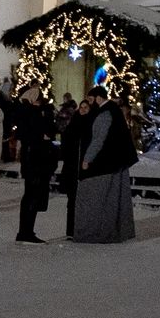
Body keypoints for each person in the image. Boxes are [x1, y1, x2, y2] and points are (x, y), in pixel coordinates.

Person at [69, 90, 136, 243]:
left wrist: (87, 159)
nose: (89, 102)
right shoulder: (113, 110)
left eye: (91, 99)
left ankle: (95, 233)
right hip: (115, 163)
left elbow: (98, 139)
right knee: (112, 201)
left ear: (98, 98)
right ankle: (111, 233)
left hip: (103, 165)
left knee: (96, 200)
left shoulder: (104, 113)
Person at [11, 92, 57, 244]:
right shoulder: (34, 114)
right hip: (37, 159)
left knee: (30, 194)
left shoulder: (25, 113)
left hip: (32, 159)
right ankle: (26, 231)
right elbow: (47, 132)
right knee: (33, 195)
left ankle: (25, 231)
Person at [57, 90, 93, 238]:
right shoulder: (73, 124)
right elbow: (66, 142)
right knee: (72, 200)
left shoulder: (91, 124)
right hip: (72, 167)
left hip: (85, 167)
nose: (83, 110)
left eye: (86, 108)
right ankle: (71, 230)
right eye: (81, 107)